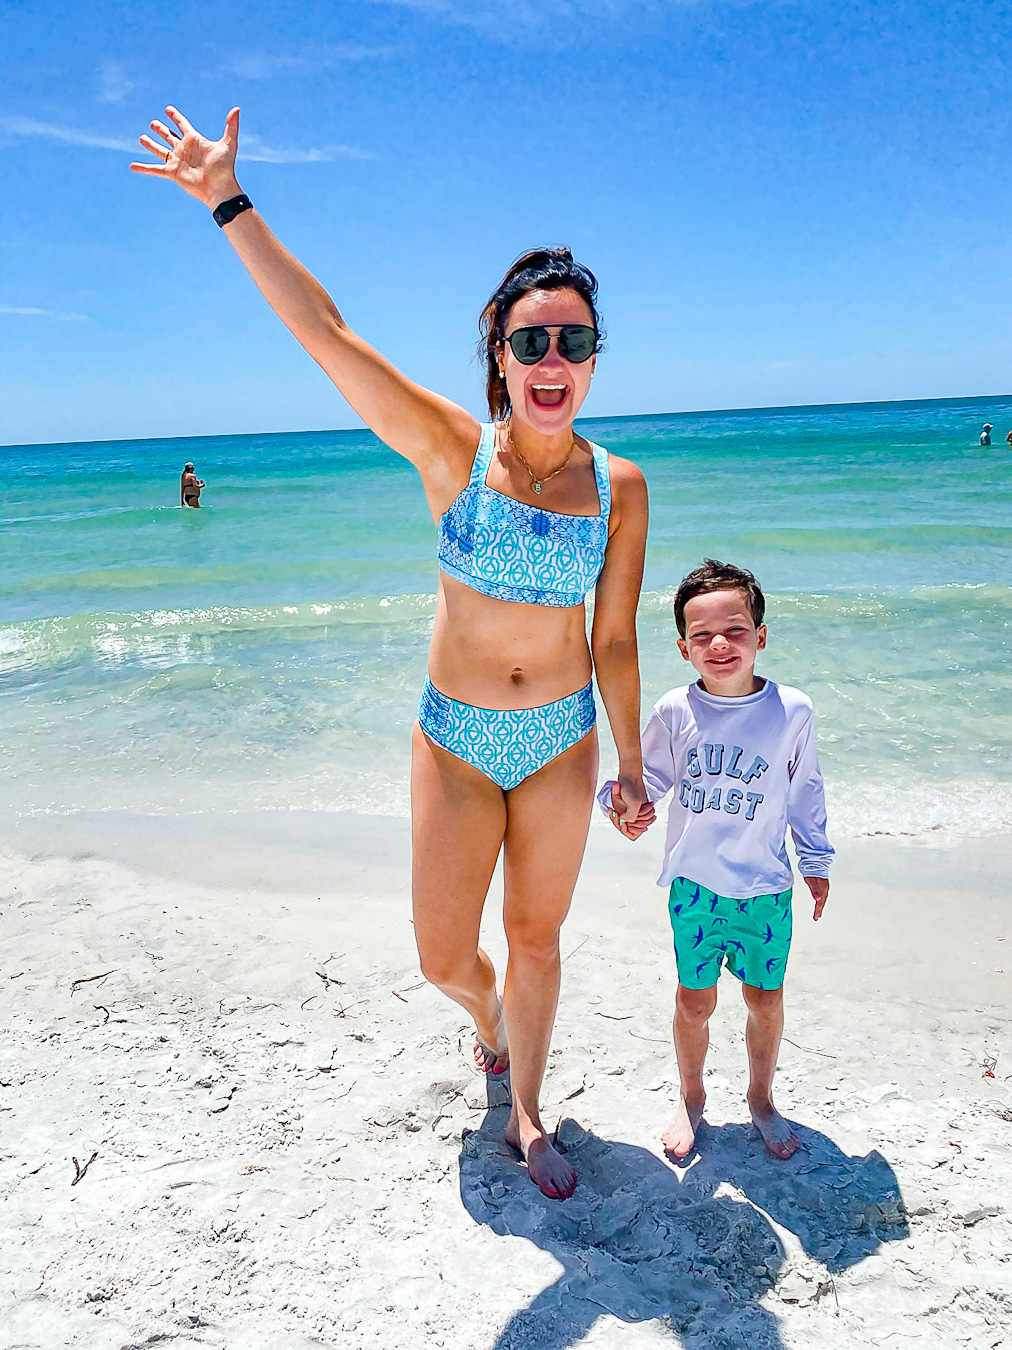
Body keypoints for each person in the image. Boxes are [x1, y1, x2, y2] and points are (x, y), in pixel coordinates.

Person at [131, 106, 650, 1200]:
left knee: (539, 934)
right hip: (454, 744)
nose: (552, 360)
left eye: (574, 342)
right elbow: (329, 335)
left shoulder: (620, 487)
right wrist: (230, 203)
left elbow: (611, 634)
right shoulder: (450, 450)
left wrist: (635, 762)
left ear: (593, 359)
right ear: (499, 357)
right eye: (530, 342)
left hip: (561, 743)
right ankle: (487, 1019)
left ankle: (525, 1114)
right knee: (444, 959)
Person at [599, 558, 833, 1161]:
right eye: (701, 635)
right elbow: (642, 775)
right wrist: (622, 805)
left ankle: (761, 1099)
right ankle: (692, 1096)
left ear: (760, 636)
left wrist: (816, 859)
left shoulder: (792, 711)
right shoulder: (677, 709)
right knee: (694, 1001)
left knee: (765, 1000)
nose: (719, 644)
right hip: (695, 889)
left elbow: (806, 789)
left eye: (734, 629)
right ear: (683, 647)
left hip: (765, 889)